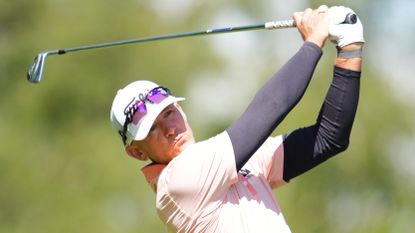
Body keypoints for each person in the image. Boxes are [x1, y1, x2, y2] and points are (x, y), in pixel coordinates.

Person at [109, 5, 364, 233]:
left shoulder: (230, 162)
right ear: (137, 153)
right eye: (152, 129)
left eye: (169, 113)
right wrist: (314, 40)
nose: (169, 128)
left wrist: (350, 48)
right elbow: (272, 106)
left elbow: (330, 137)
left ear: (180, 109)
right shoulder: (176, 183)